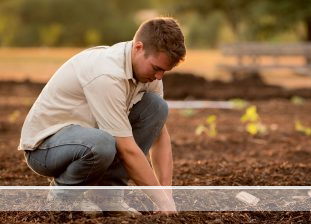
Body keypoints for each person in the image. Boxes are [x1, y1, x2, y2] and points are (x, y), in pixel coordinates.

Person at [19, 17, 186, 216]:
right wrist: (160, 200)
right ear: (138, 48)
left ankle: (108, 197)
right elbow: (126, 149)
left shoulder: (148, 74)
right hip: (44, 148)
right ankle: (62, 197)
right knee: (103, 143)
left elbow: (159, 134)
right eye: (157, 68)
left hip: (86, 138)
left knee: (156, 107)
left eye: (164, 71)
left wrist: (166, 198)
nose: (159, 77)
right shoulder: (107, 74)